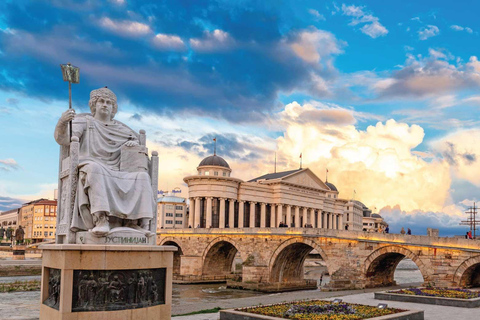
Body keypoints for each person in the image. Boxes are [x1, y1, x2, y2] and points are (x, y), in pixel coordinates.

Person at [54, 87, 155, 236]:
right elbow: (63, 139)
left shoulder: (122, 130)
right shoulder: (84, 122)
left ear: (114, 108)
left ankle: (134, 223)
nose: (105, 105)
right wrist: (62, 122)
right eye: (101, 101)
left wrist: (134, 145)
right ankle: (101, 219)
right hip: (90, 164)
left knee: (142, 176)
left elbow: (139, 152)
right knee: (95, 169)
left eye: (109, 102)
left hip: (118, 169)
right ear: (94, 104)